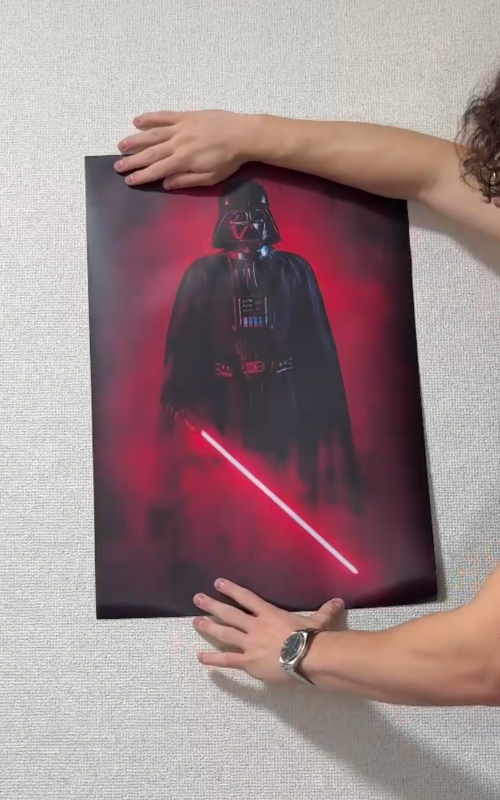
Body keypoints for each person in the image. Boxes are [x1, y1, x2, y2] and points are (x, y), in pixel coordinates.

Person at [114, 68, 500, 707]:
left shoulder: (292, 272)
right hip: (229, 408)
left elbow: (485, 662)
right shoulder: (206, 277)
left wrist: (300, 652)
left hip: (285, 406)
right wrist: (247, 137)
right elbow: (437, 172)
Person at [160, 178, 360, 506]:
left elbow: (316, 339)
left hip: (285, 395)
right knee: (226, 493)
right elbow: (183, 343)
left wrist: (322, 401)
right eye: (239, 218)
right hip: (224, 400)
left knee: (290, 486)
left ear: (268, 218)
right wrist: (177, 394)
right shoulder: (202, 273)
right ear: (224, 221)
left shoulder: (294, 269)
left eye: (256, 216)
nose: (249, 225)